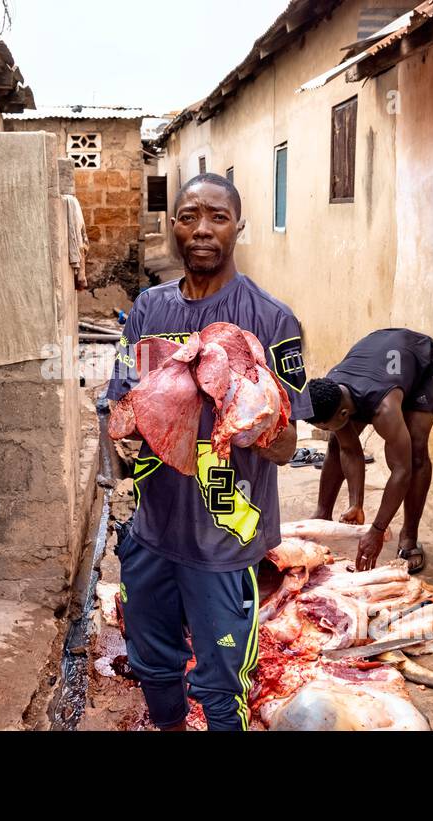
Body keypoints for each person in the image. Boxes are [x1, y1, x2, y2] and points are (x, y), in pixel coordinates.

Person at [106, 173, 311, 731]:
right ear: (172, 224)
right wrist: (121, 460)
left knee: (222, 684)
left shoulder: (273, 321)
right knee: (152, 665)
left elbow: (291, 446)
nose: (201, 230)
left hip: (224, 537)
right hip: (152, 529)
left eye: (217, 217)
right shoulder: (148, 311)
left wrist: (258, 423)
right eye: (189, 215)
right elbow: (118, 410)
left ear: (238, 226)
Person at [304, 328, 433, 574]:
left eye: (325, 426)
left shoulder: (385, 409)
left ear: (344, 413)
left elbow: (402, 471)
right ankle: (322, 515)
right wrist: (355, 504)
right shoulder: (331, 389)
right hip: (378, 349)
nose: (325, 430)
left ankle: (409, 537)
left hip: (420, 360)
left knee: (415, 452)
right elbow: (349, 448)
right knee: (337, 444)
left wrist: (377, 530)